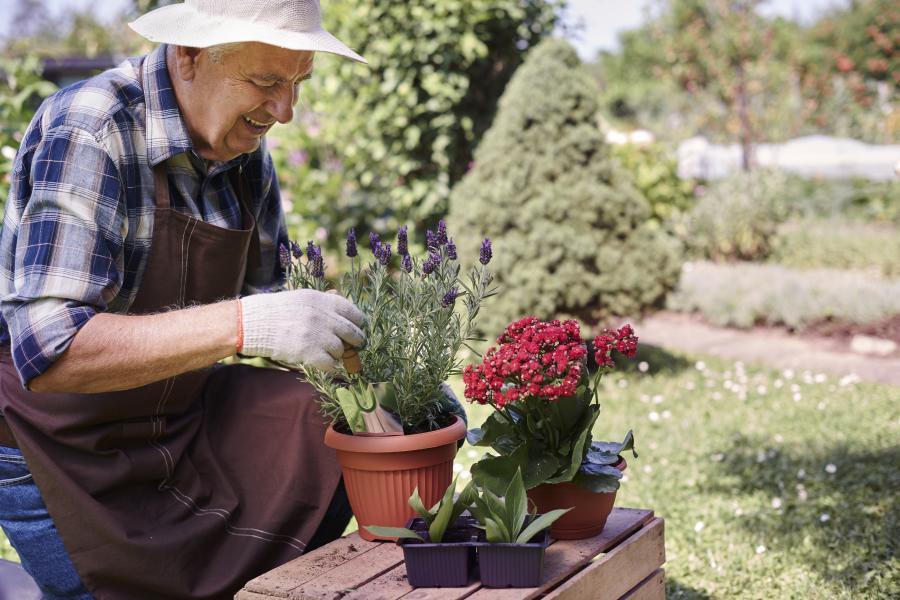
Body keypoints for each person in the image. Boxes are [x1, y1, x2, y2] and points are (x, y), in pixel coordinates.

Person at [0, 1, 369, 598]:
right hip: (60, 448)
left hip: (175, 423)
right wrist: (246, 323)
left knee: (331, 421)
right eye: (267, 82)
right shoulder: (90, 127)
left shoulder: (242, 153)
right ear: (191, 55)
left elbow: (269, 305)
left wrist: (385, 374)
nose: (286, 112)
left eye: (297, 82)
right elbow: (52, 352)